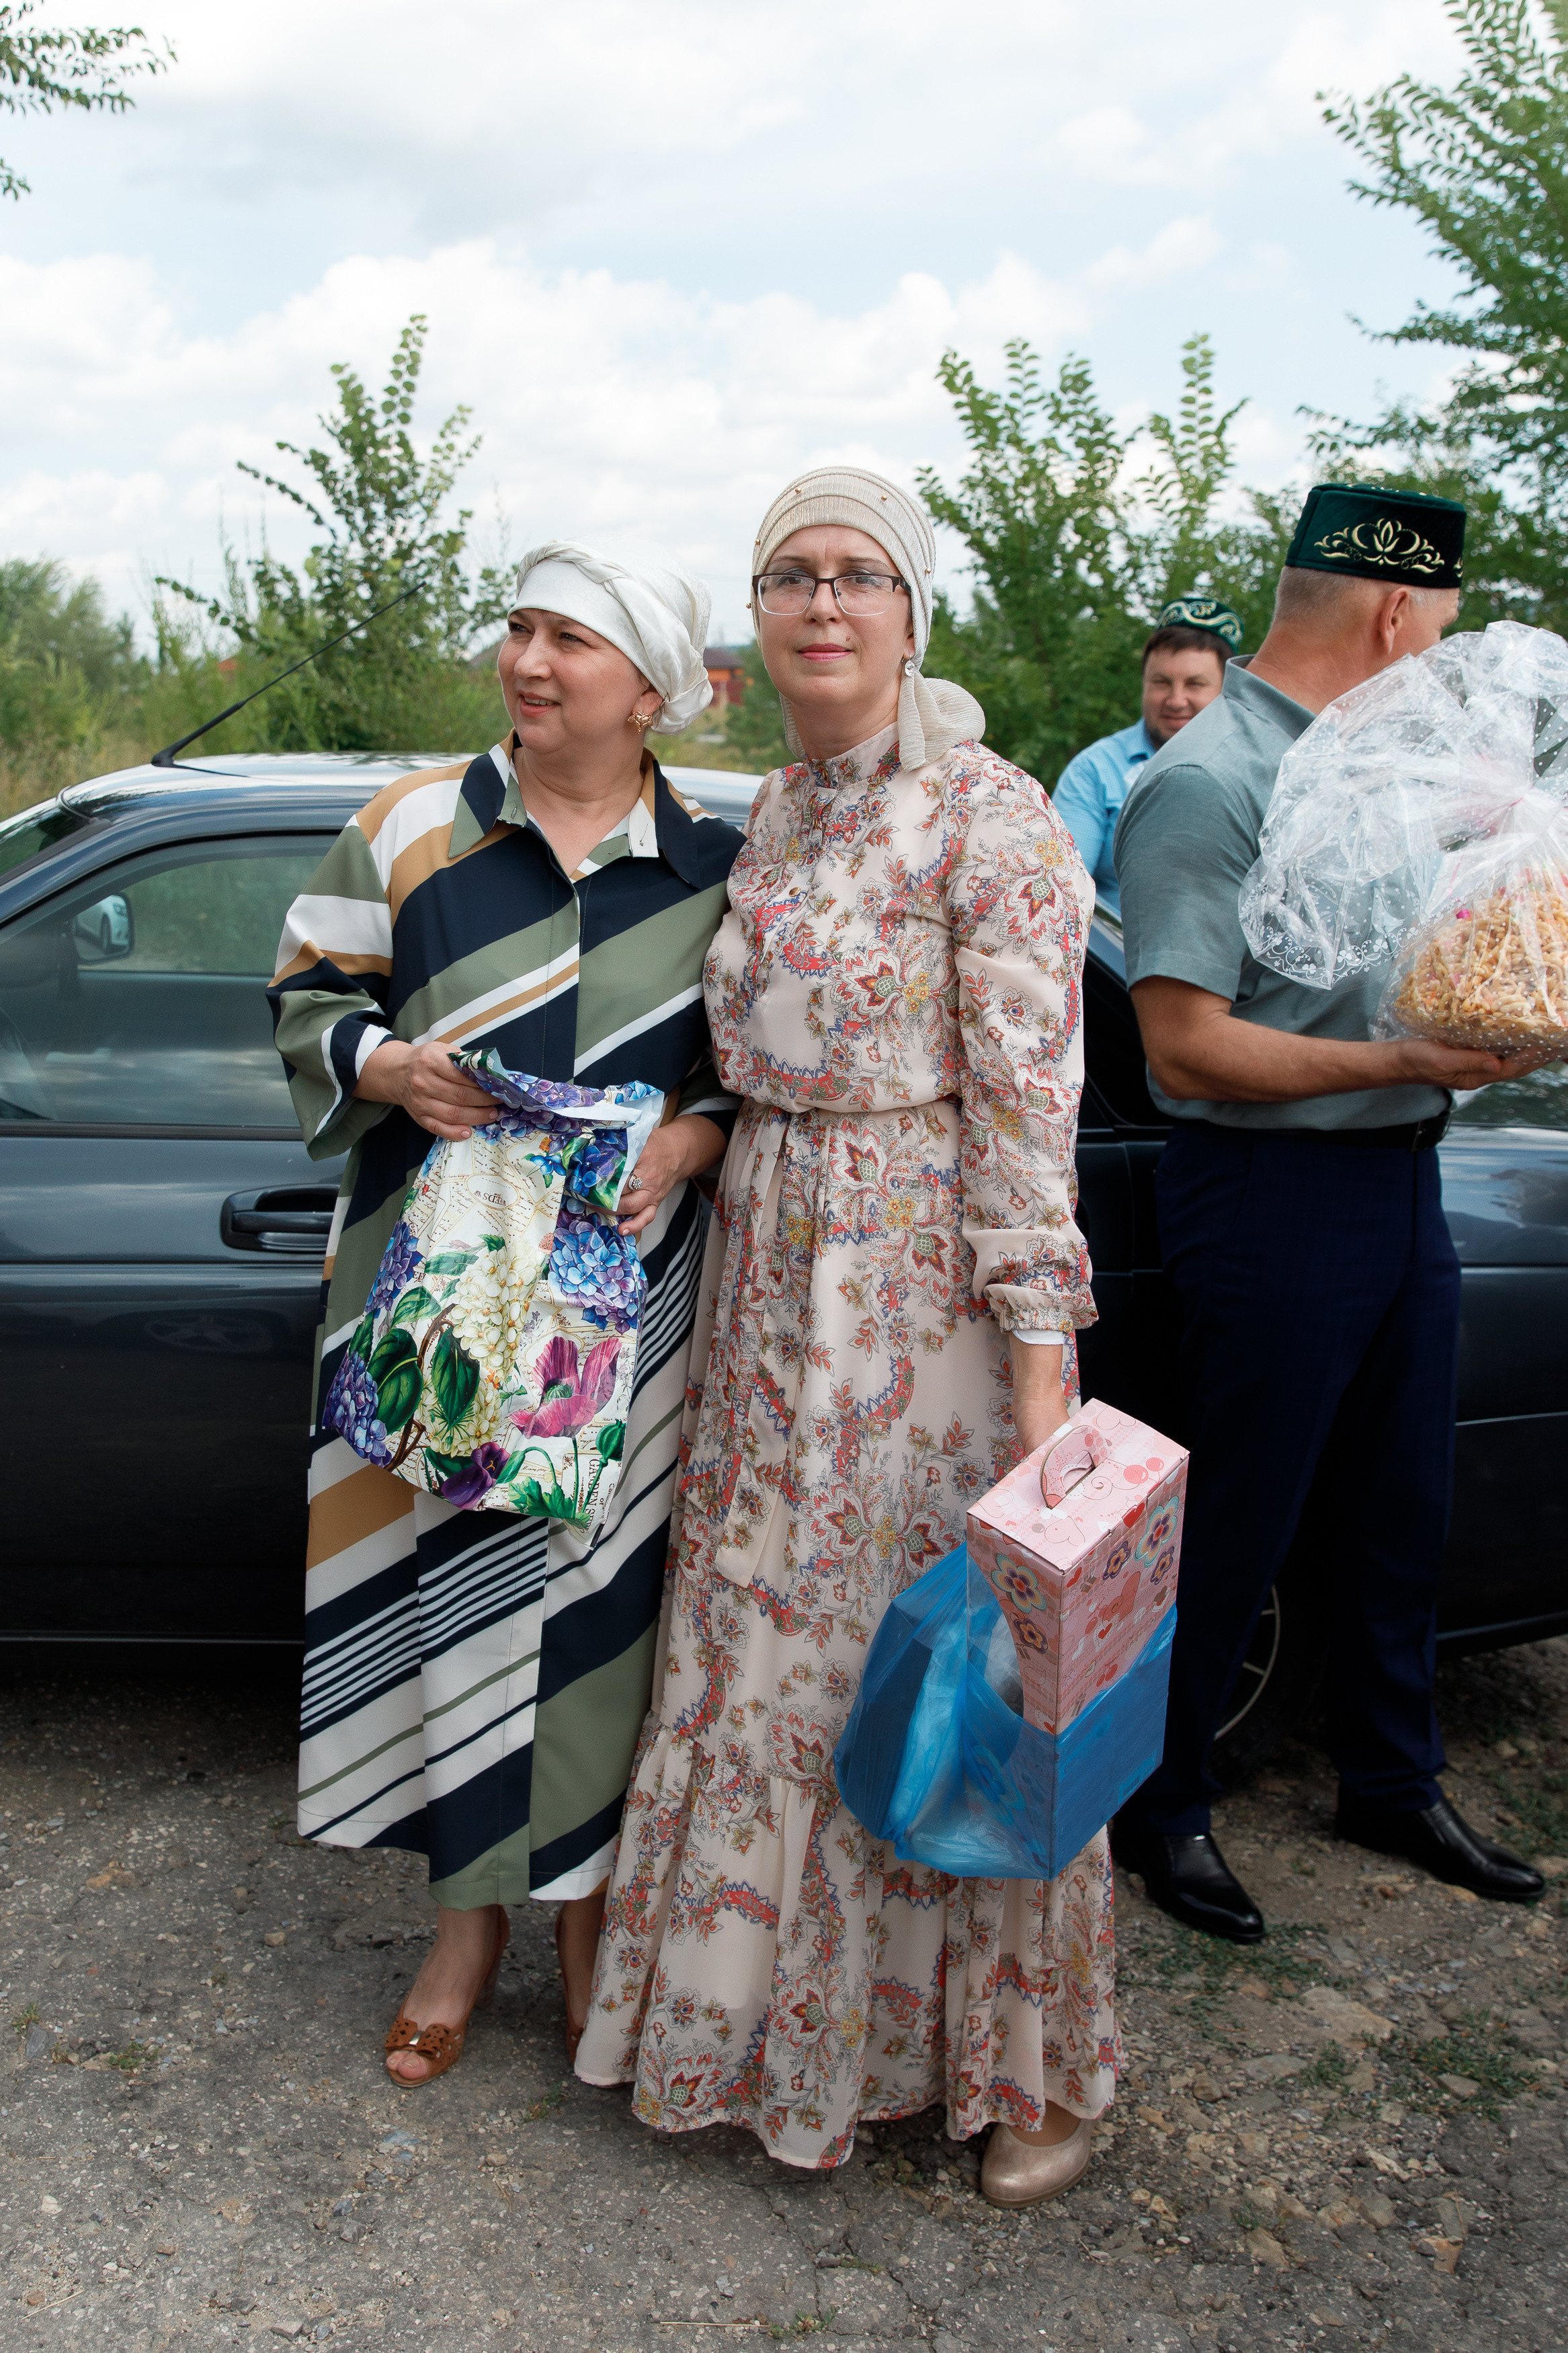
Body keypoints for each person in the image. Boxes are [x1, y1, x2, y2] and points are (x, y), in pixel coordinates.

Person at [576, 468, 1116, 2208]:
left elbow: (1030, 1110)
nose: (823, 602)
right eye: (792, 574)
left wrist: (1039, 1382)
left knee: (962, 1677)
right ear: (758, 616)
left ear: (908, 613)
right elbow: (753, 1057)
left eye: (858, 574)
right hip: (766, 1286)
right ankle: (771, 2043)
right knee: (771, 1670)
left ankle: (1027, 2071)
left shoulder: (990, 815)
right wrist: (698, 1137)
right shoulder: (779, 814)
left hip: (921, 1310)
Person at [267, 541, 745, 2083]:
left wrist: (691, 1141)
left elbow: (742, 1074)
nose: (528, 660)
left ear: (650, 690)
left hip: (624, 1320)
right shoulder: (411, 828)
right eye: (520, 628)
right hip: (436, 1309)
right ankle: (465, 1928)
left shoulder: (717, 866)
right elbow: (303, 1002)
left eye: (569, 639)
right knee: (450, 1603)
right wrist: (388, 1064)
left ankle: (589, 1917)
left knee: (608, 1617)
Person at [1110, 484, 1549, 1944]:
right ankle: (1161, 1805)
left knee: (1396, 1508)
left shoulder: (1390, 766)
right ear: (1392, 611)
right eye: (1440, 623)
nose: (1443, 651)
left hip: (1394, 1174)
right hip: (1269, 1189)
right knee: (1239, 1517)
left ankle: (1389, 1779)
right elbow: (1183, 1047)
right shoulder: (1209, 776)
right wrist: (1408, 1059)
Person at [1053, 594, 1241, 918]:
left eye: (1195, 684)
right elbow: (1061, 893)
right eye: (1161, 683)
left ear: (1226, 690)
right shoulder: (1095, 770)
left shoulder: (1255, 769)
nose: (1176, 700)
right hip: (1115, 949)